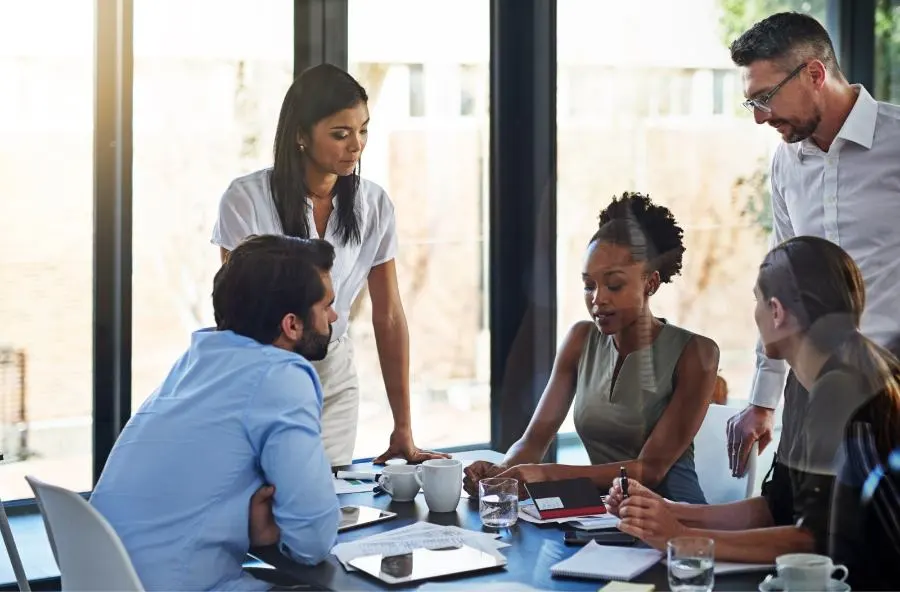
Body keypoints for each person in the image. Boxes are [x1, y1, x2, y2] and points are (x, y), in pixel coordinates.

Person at [609, 236, 900, 589]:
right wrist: (667, 510)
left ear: (776, 312)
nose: (756, 314)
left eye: (758, 302)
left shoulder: (839, 391)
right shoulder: (801, 384)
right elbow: (777, 507)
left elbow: (814, 541)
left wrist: (681, 537)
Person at [211, 63, 445, 467]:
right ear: (301, 136)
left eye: (363, 130)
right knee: (264, 501)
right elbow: (234, 315)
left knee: (328, 500)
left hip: (332, 372)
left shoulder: (374, 206)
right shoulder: (245, 200)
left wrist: (403, 427)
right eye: (341, 134)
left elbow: (388, 315)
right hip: (261, 374)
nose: (356, 145)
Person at [91, 235, 342, 591]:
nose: (334, 315)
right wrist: (269, 538)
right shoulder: (280, 375)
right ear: (292, 325)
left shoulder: (195, 361)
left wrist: (257, 530)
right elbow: (313, 540)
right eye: (326, 305)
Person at [724, 12, 900, 477]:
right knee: (791, 525)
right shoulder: (785, 164)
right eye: (752, 103)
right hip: (810, 389)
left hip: (891, 387)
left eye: (765, 98)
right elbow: (779, 281)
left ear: (815, 74)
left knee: (875, 539)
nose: (760, 117)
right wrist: (762, 400)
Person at [463, 192, 719, 503]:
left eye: (614, 285)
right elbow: (532, 441)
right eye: (589, 285)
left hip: (672, 520)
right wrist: (500, 472)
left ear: (650, 284)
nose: (598, 299)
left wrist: (546, 474)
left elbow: (649, 470)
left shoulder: (697, 353)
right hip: (603, 515)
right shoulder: (580, 340)